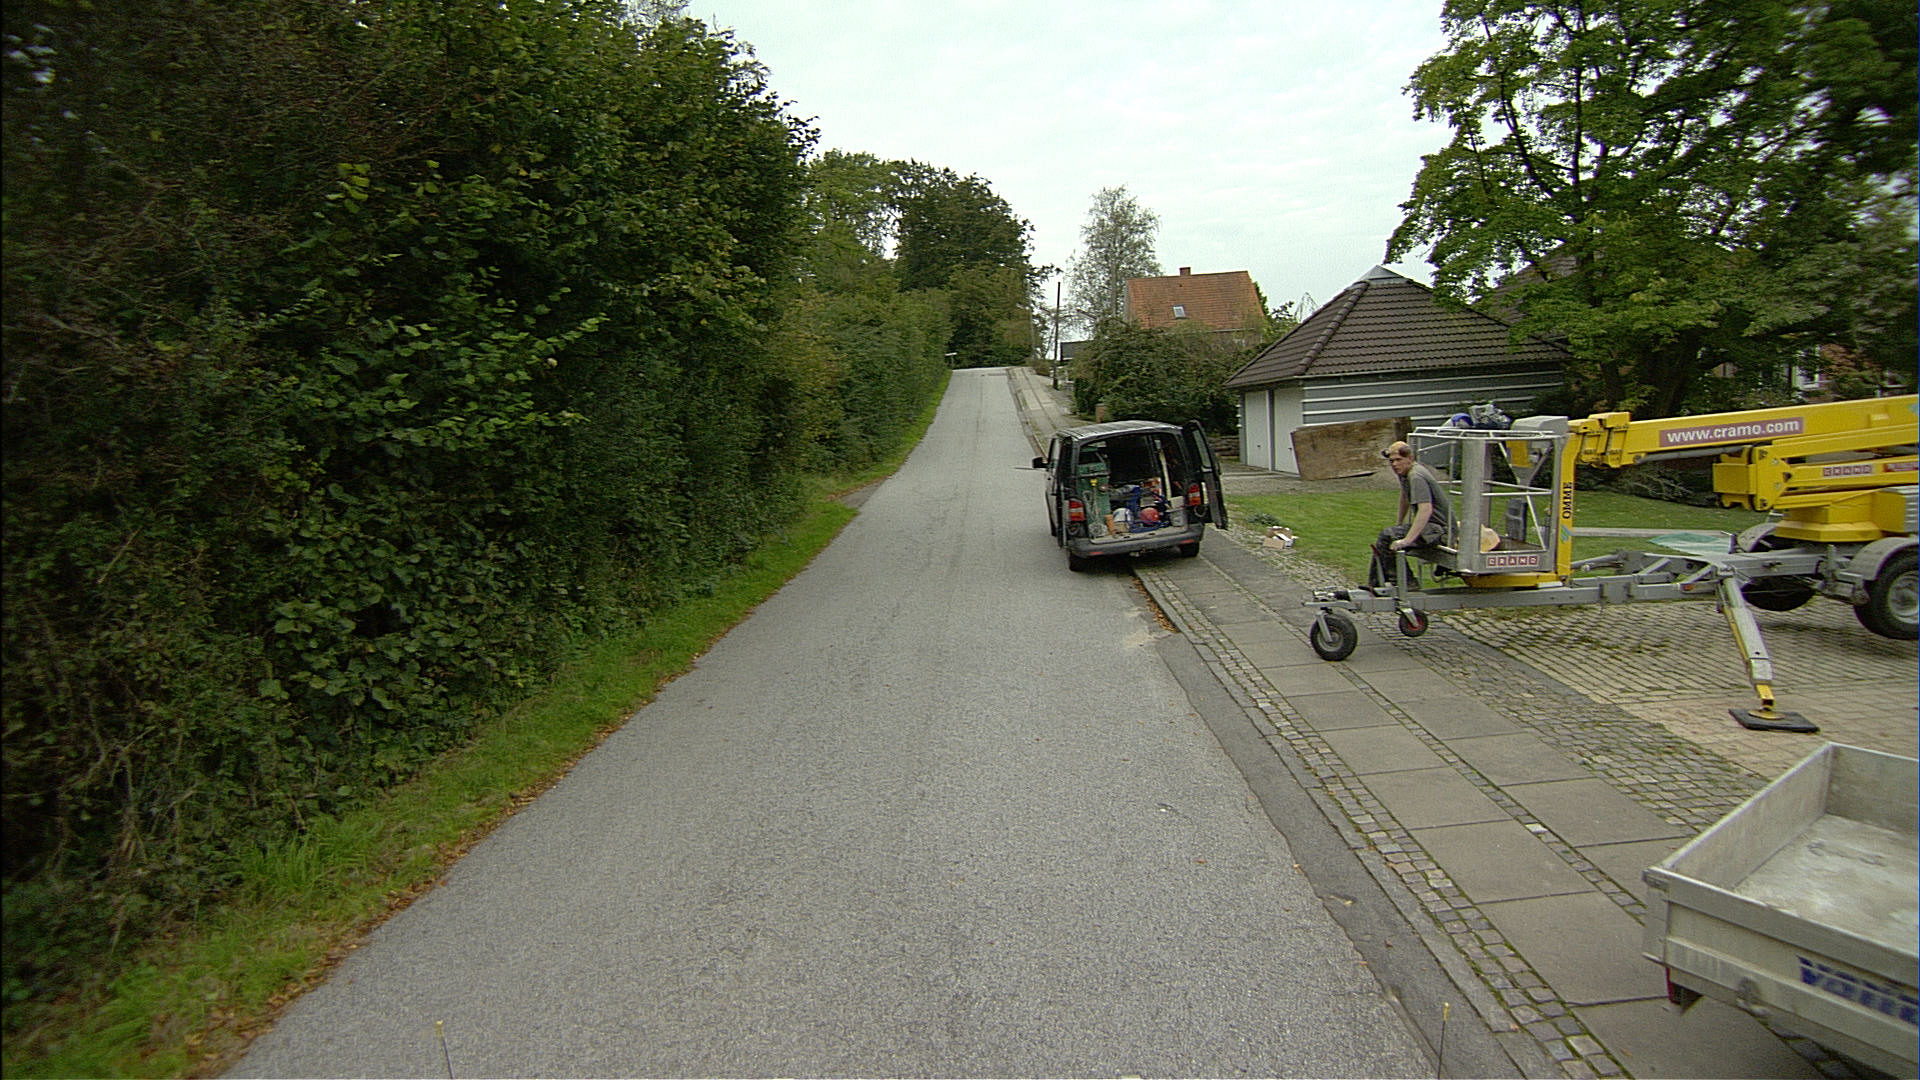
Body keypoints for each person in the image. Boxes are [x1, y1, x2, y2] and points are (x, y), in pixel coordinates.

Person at [1372, 440, 1451, 584]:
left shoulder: (1416, 476)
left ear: (1410, 458)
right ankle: (1378, 584)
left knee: (1387, 536)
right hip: (1432, 527)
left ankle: (1406, 584)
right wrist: (1399, 524)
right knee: (1389, 535)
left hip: (1441, 530)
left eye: (1398, 460)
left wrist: (1407, 540)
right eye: (1391, 461)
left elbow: (1425, 510)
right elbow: (1405, 497)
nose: (1394, 464)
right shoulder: (1405, 474)